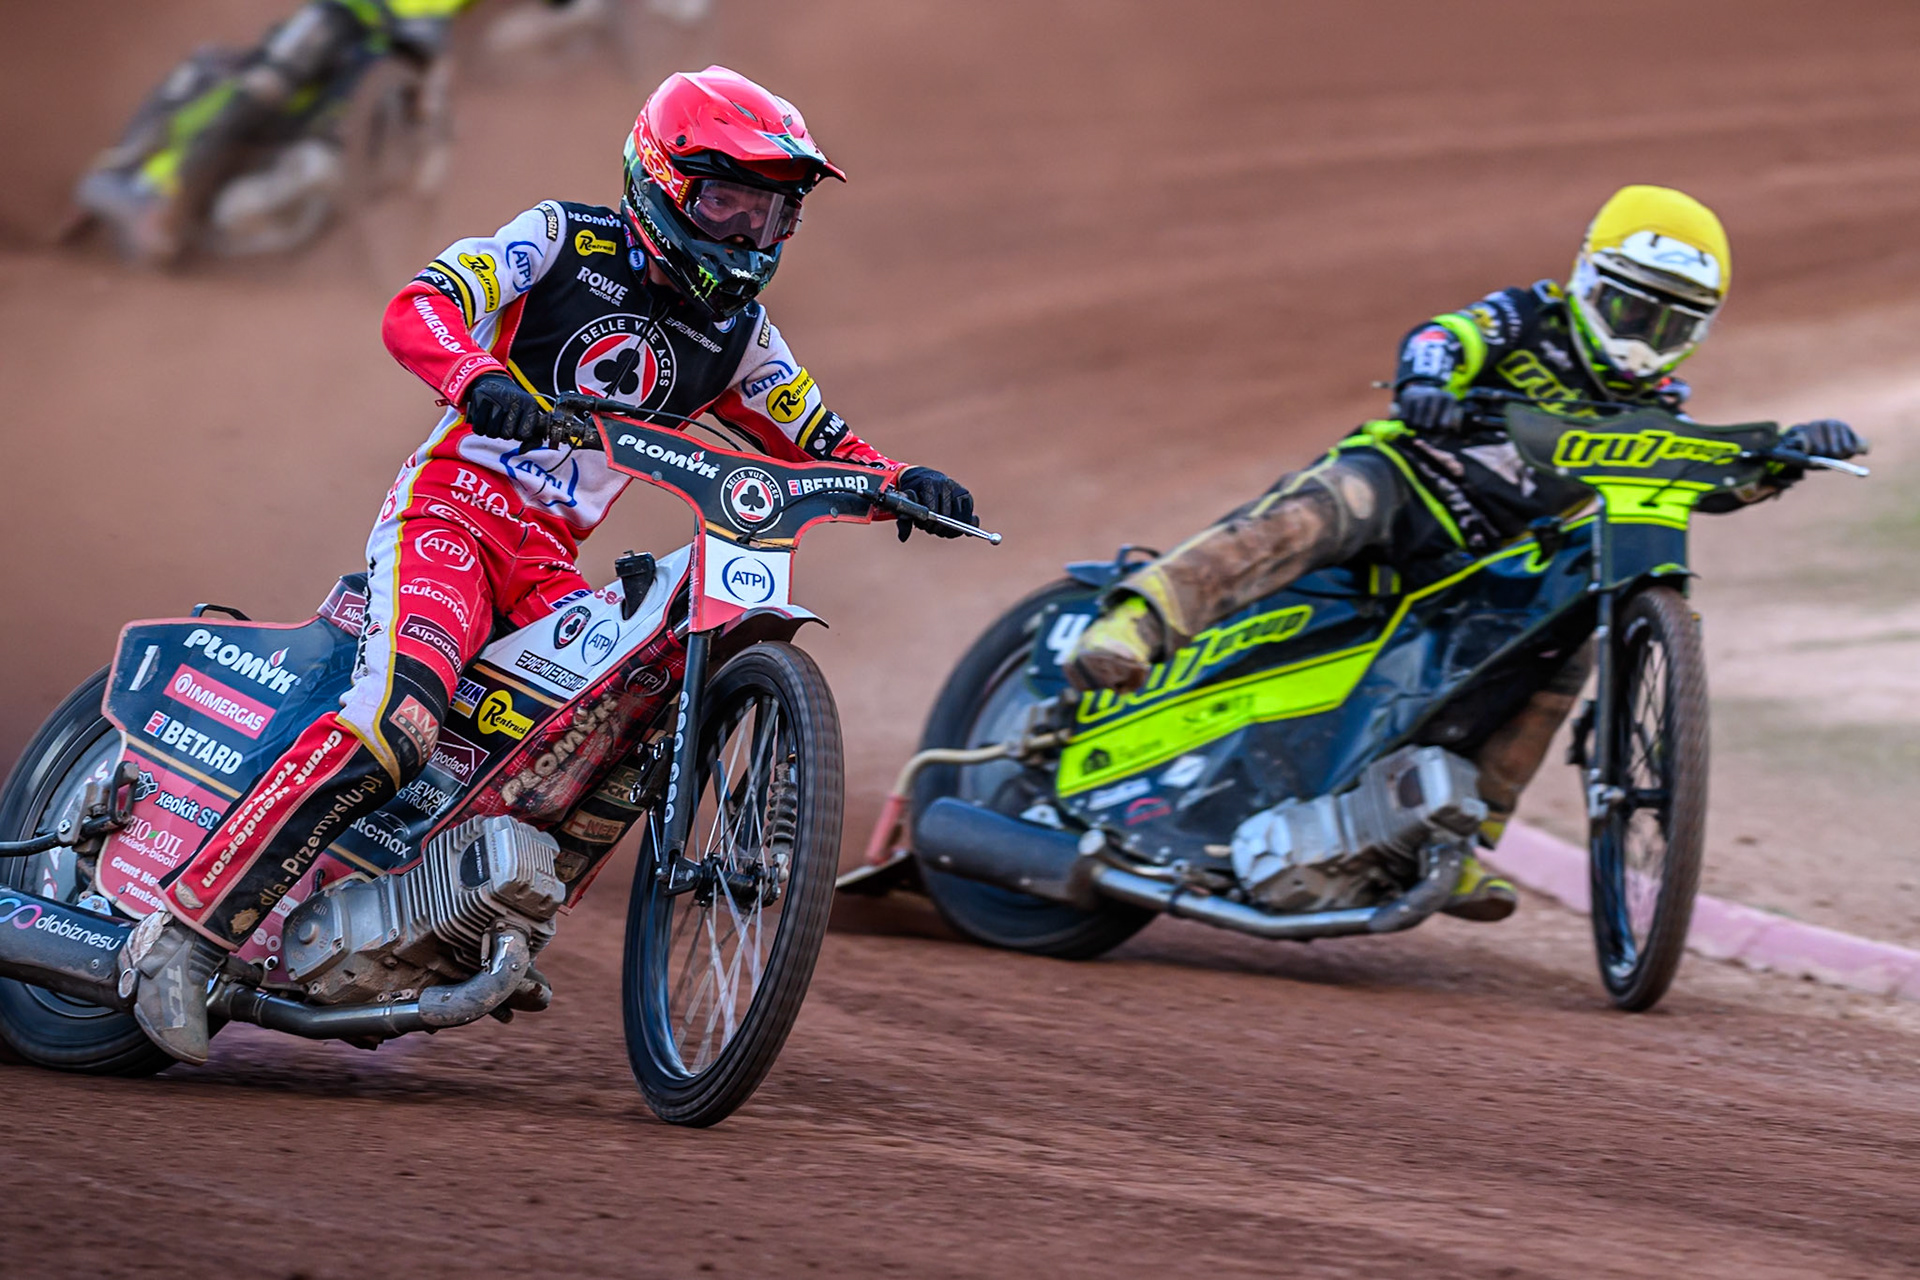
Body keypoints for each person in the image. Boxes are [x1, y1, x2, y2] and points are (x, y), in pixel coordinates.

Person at [119, 66, 978, 1064]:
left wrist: (905, 481)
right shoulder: (563, 239)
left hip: (543, 563)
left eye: (772, 210)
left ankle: (479, 918)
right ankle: (181, 932)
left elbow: (818, 436)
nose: (749, 231)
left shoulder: (739, 336)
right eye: (728, 199)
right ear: (662, 182)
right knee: (399, 722)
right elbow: (422, 304)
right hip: (450, 519)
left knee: (626, 726)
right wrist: (478, 377)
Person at [1062, 184, 1866, 920]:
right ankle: (1137, 621)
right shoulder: (1529, 317)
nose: (1645, 338)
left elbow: (1703, 482)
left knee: (1562, 648)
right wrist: (1427, 385)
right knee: (1321, 510)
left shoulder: (1657, 410)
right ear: (1590, 283)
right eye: (1632, 309)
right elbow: (1443, 336)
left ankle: (1466, 832)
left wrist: (1787, 460)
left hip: (1485, 564)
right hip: (1413, 482)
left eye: (1671, 323)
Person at [74, 0, 510, 265]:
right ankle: (169, 205)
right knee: (272, 82)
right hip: (351, 14)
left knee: (406, 130)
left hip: (414, 47)